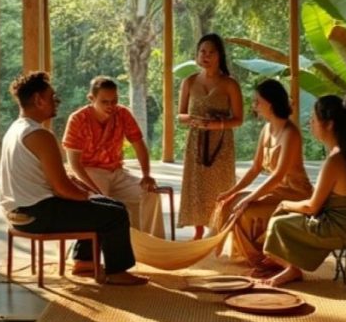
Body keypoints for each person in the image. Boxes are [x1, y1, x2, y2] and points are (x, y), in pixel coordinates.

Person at [0, 71, 148, 286]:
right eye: (52, 97)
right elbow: (62, 189)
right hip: (37, 214)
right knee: (115, 213)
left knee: (103, 205)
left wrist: (88, 196)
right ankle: (117, 271)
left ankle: (83, 261)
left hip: (17, 212)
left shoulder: (15, 129)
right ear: (39, 100)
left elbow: (50, 178)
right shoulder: (40, 135)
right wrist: (87, 196)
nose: (56, 101)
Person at [260, 94, 346, 287]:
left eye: (314, 120)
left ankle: (291, 268)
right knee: (288, 218)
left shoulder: (335, 160)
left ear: (329, 124)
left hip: (345, 230)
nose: (310, 124)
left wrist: (284, 204)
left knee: (278, 224)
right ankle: (290, 266)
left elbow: (311, 207)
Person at [212, 79, 313, 274]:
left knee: (246, 209)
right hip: (278, 191)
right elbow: (255, 168)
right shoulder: (266, 129)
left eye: (257, 101)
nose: (254, 106)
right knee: (228, 203)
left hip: (296, 193)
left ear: (271, 103)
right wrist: (231, 192)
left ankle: (266, 260)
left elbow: (277, 176)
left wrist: (249, 198)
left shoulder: (290, 133)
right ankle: (256, 257)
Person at [62, 76, 166, 238]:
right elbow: (74, 164)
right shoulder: (78, 119)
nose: (111, 106)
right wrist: (94, 190)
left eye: (114, 101)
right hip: (89, 172)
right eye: (105, 102)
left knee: (150, 192)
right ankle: (105, 248)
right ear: (92, 98)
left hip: (116, 171)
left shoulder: (123, 113)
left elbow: (139, 145)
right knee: (102, 204)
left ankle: (151, 244)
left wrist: (146, 175)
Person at [177, 33, 243, 240]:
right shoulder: (189, 81)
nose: (206, 56)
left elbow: (239, 119)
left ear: (219, 56)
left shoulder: (230, 84)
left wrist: (218, 124)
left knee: (220, 186)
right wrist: (194, 121)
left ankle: (219, 232)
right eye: (202, 52)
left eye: (211, 52)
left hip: (221, 144)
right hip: (196, 141)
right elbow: (180, 115)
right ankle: (197, 232)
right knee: (196, 186)